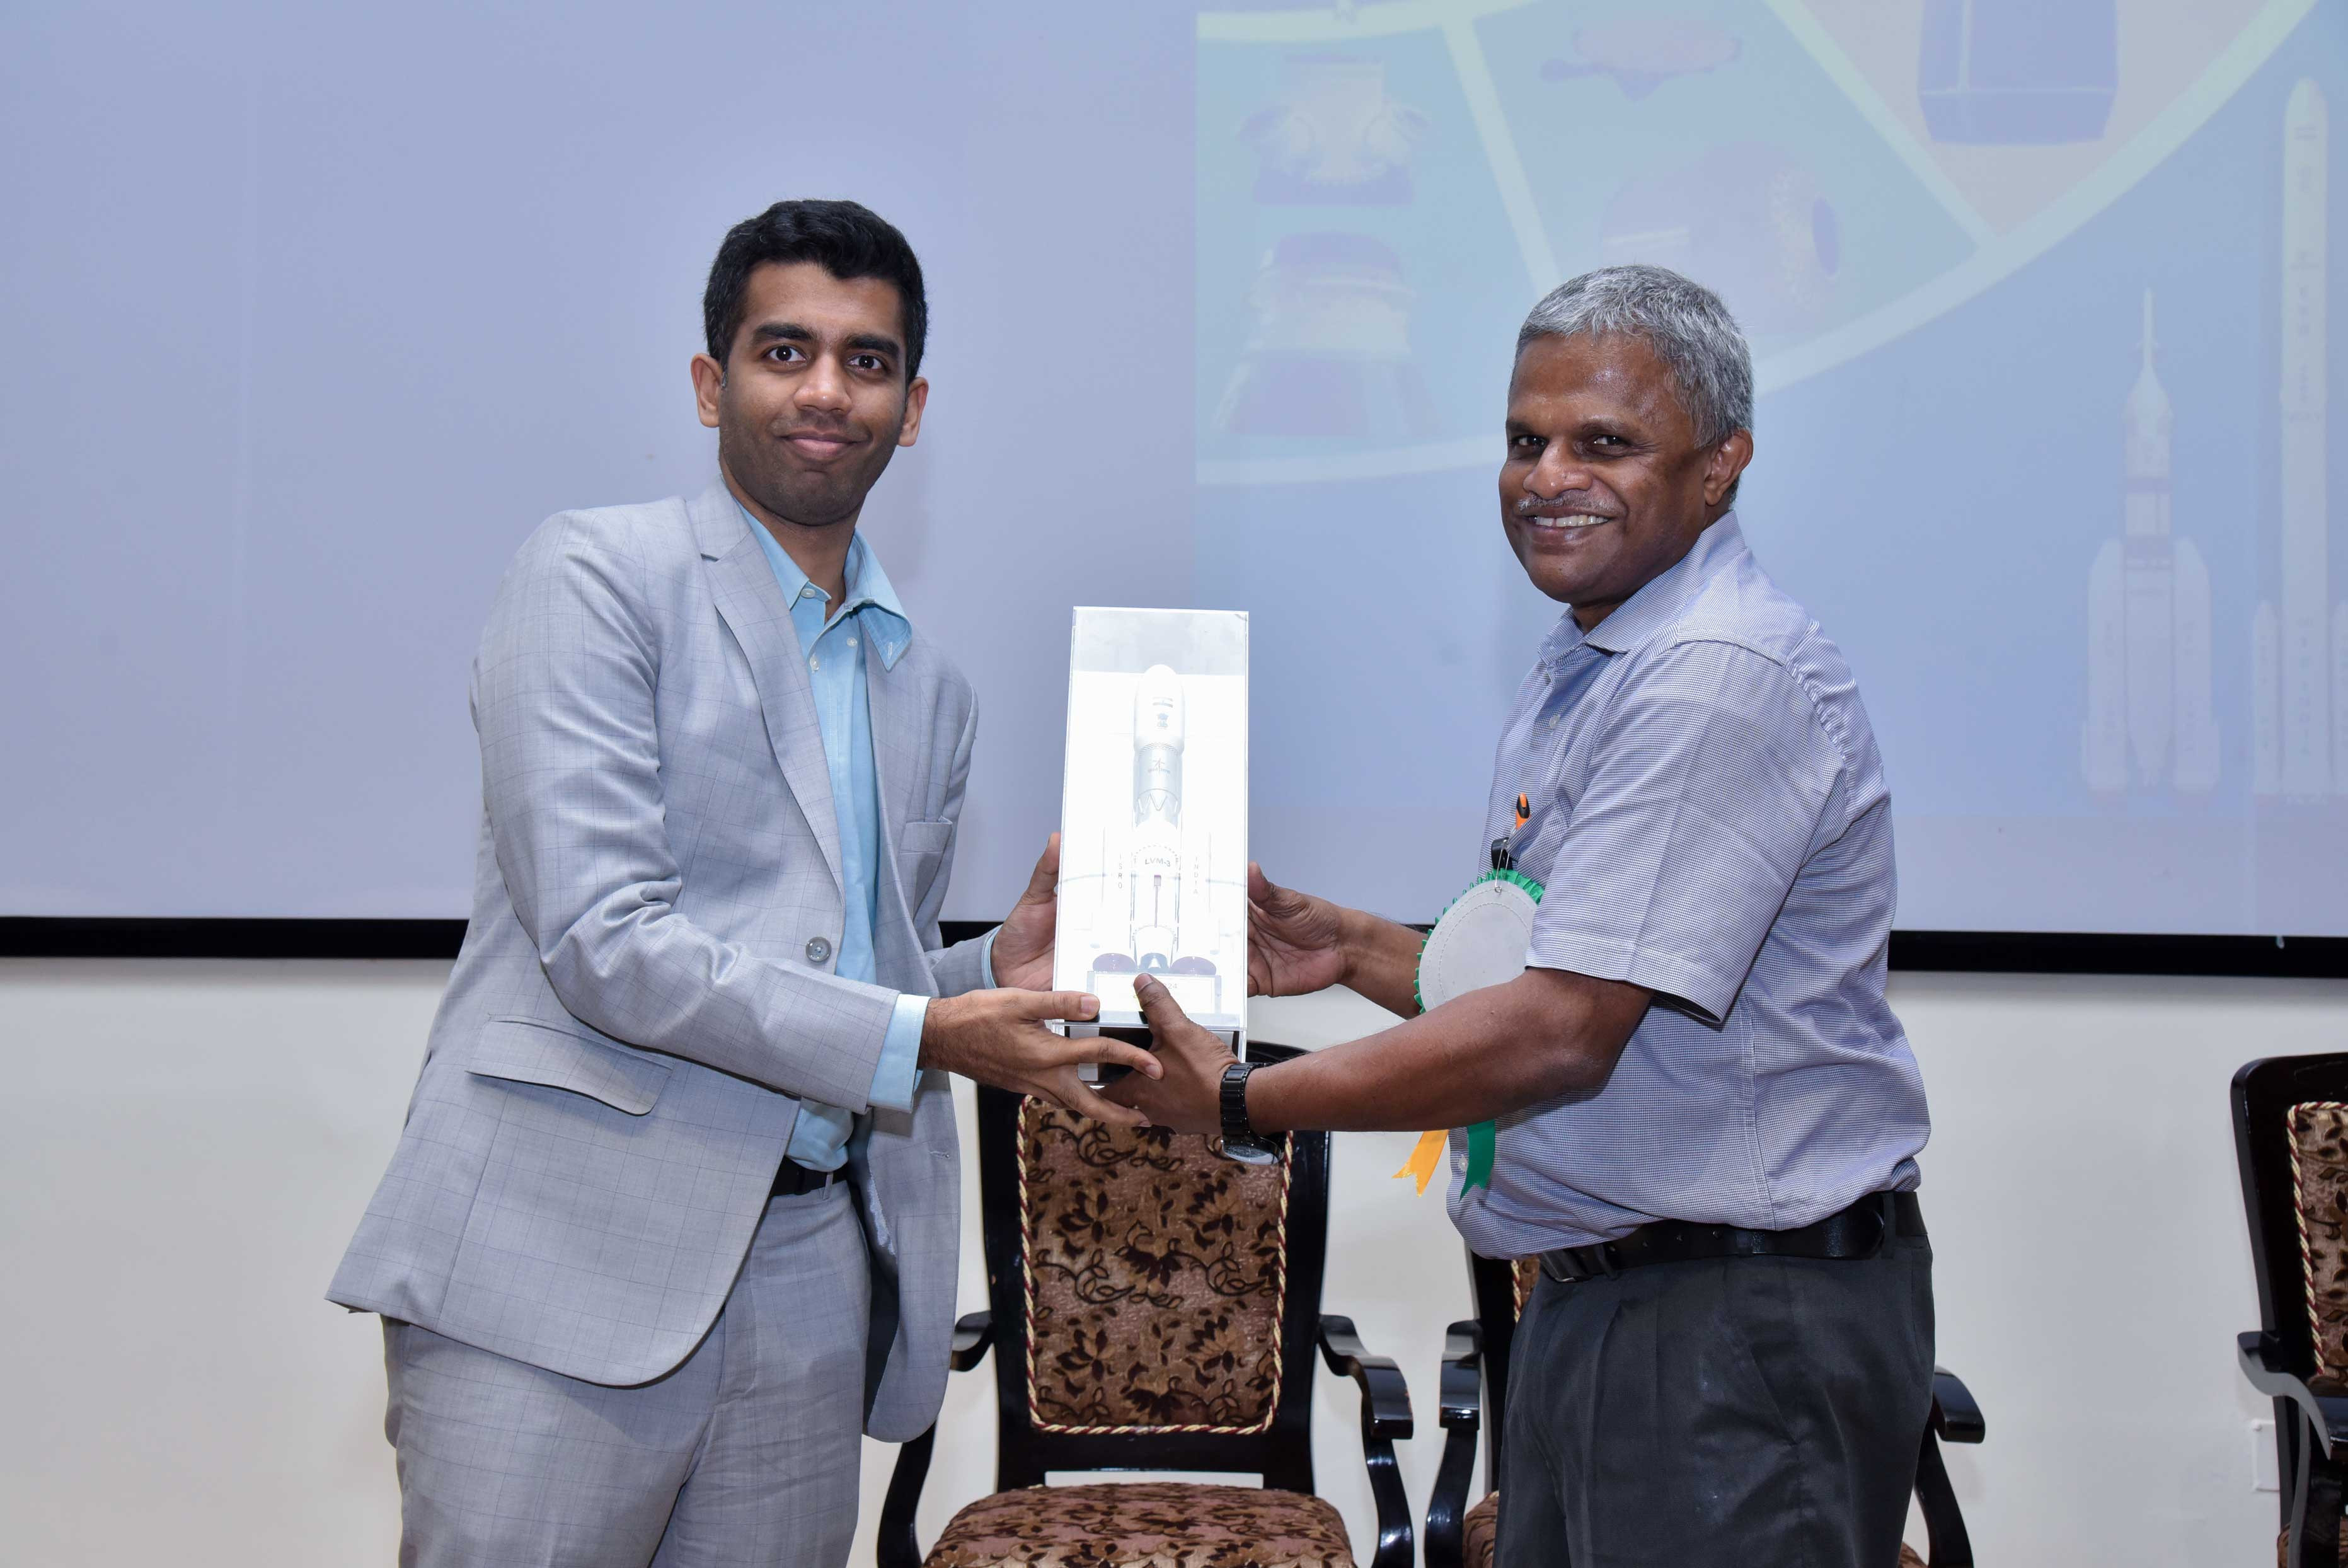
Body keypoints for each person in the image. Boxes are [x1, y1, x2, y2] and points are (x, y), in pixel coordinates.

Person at [327, 199, 1157, 1568]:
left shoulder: (929, 687)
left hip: (809, 1278)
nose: (827, 390)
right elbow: (606, 940)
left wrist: (988, 970)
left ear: (912, 408)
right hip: (560, 1263)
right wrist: (927, 1030)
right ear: (711, 383)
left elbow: (854, 969)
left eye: (867, 361)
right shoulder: (595, 576)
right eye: (786, 351)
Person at [1110, 263, 1934, 1568]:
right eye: (1523, 439)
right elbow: (1563, 966)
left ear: (1721, 465)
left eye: (1604, 443)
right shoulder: (1598, 658)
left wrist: (1237, 1100)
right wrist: (1357, 949)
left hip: (1727, 1326)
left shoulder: (1710, 676)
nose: (1548, 477)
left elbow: (1561, 1032)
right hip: (1615, 1301)